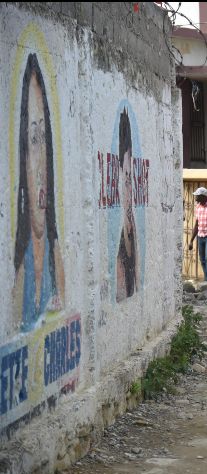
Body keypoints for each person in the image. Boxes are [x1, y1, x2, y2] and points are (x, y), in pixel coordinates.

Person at [12, 53, 66, 332]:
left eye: (44, 138)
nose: (41, 163)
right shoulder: (18, 279)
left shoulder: (57, 264)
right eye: (33, 139)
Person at [116, 108, 140, 302]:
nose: (129, 189)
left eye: (131, 180)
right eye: (125, 181)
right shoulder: (120, 250)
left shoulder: (134, 235)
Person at [187, 187, 207, 287]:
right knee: (202, 259)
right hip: (200, 236)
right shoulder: (198, 207)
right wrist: (191, 240)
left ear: (203, 196)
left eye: (197, 195)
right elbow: (196, 225)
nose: (195, 197)